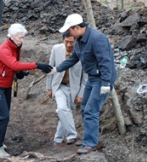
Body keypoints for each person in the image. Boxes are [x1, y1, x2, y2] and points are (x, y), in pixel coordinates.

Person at [48, 13, 117, 154]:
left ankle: (90, 144)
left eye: (70, 30)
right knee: (85, 107)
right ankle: (89, 139)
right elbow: (73, 59)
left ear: (78, 27)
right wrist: (56, 69)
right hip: (92, 77)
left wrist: (105, 83)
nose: (69, 34)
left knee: (91, 109)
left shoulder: (97, 39)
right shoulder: (79, 40)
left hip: (101, 79)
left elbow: (106, 62)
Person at [0, 23, 53, 159]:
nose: (22, 41)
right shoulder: (4, 49)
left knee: (3, 115)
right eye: (20, 38)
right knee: (4, 116)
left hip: (6, 85)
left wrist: (19, 73)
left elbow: (14, 65)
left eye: (23, 38)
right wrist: (37, 65)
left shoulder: (16, 47)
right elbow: (13, 64)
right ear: (11, 36)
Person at [46, 33, 87, 146]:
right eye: (66, 42)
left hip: (74, 89)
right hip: (59, 86)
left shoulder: (83, 52)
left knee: (65, 113)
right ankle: (72, 135)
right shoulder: (56, 49)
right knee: (62, 109)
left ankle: (57, 140)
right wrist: (49, 87)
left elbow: (85, 77)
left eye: (71, 42)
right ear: (63, 40)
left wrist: (81, 94)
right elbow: (50, 68)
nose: (69, 45)